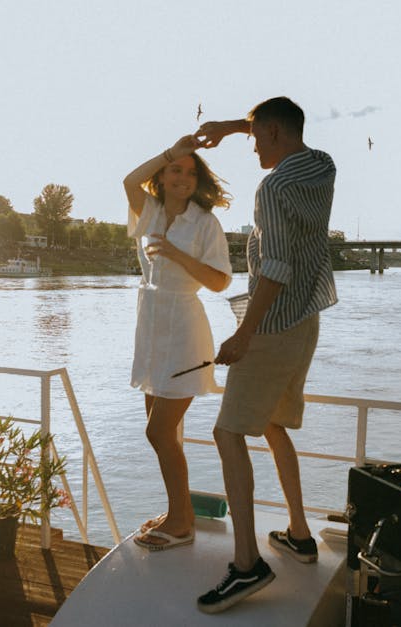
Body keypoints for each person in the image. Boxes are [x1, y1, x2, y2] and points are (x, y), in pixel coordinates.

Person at [194, 97, 338, 613]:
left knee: (228, 433)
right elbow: (278, 122)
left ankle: (247, 564)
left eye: (256, 137)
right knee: (274, 424)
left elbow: (273, 267)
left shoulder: (274, 187)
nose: (251, 144)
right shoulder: (322, 166)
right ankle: (299, 534)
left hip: (272, 325)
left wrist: (243, 335)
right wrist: (231, 126)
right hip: (306, 320)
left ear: (276, 133)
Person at [124, 133, 233, 550]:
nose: (183, 177)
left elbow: (221, 281)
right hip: (151, 327)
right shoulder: (148, 209)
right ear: (163, 175)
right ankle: (178, 512)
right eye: (175, 169)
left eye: (190, 172)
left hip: (185, 329)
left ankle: (182, 519)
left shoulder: (204, 222)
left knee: (159, 431)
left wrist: (174, 253)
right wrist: (173, 149)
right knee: (163, 433)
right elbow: (129, 181)